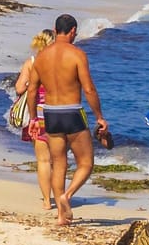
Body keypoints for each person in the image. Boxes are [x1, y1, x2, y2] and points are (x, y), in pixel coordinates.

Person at [25, 13, 108, 226]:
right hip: (72, 111)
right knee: (86, 162)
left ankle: (61, 216)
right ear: (72, 32)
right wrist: (99, 116)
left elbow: (32, 91)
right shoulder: (77, 54)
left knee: (59, 162)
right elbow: (88, 88)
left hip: (50, 113)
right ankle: (67, 196)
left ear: (54, 29)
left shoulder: (41, 57)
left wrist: (34, 118)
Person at [15, 29, 56, 210]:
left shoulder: (31, 62)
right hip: (58, 112)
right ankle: (61, 195)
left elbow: (18, 89)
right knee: (58, 159)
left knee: (43, 160)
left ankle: (47, 200)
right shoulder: (59, 62)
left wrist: (31, 84)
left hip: (37, 114)